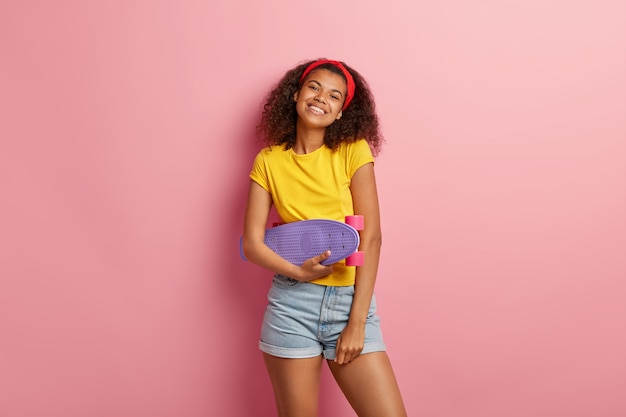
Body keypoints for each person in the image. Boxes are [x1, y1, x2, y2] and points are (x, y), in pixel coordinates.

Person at [242, 59, 407, 417]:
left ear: (340, 113)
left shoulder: (352, 150)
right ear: (296, 95)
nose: (321, 98)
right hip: (291, 305)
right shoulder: (269, 161)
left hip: (349, 303)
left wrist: (357, 322)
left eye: (335, 96)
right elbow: (251, 244)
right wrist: (300, 273)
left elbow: (372, 238)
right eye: (314, 87)